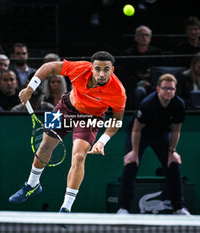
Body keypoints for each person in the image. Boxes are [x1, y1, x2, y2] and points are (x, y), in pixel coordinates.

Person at [9, 51, 126, 213]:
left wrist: (102, 141)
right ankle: (32, 184)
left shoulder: (118, 92)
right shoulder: (80, 68)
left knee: (78, 156)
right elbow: (48, 66)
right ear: (91, 68)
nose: (101, 73)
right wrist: (30, 88)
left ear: (112, 70)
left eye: (106, 69)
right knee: (44, 146)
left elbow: (117, 120)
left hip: (91, 118)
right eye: (97, 68)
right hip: (64, 107)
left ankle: (66, 208)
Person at [117, 74, 190, 215]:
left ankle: (179, 207)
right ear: (158, 89)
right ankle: (124, 208)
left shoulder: (179, 104)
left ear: (175, 90)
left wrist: (172, 151)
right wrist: (134, 153)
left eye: (171, 89)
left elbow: (176, 130)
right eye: (165, 88)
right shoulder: (147, 104)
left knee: (173, 164)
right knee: (131, 164)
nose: (168, 91)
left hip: (161, 135)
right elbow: (137, 129)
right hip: (140, 134)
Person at [124, 25, 163, 109]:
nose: (144, 37)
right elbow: (126, 73)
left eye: (147, 35)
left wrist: (151, 82)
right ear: (136, 38)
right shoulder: (128, 54)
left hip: (153, 84)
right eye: (141, 35)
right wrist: (139, 83)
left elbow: (161, 72)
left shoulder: (157, 53)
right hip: (133, 85)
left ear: (150, 38)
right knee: (138, 91)